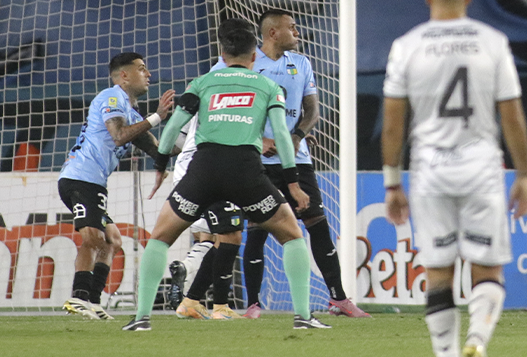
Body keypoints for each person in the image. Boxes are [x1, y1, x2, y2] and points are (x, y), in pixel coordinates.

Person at [123, 19, 330, 331]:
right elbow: (283, 137)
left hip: (203, 171)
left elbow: (172, 130)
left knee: (160, 238)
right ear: (253, 56)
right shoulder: (268, 87)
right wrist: (293, 183)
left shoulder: (202, 83)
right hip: (246, 173)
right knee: (292, 236)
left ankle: (141, 319)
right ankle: (303, 317)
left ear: (222, 53)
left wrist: (161, 166)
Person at [380, 0, 527, 357]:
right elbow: (512, 115)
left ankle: (446, 353)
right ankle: (477, 341)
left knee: (438, 271)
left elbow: (393, 122)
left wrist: (392, 183)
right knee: (487, 269)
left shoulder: (407, 45)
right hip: (480, 167)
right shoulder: (492, 41)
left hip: (430, 169)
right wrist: (524, 175)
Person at [235, 10, 369, 318]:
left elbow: (312, 111)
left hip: (297, 159)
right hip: (257, 159)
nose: (297, 32)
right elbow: (232, 108)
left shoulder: (301, 63)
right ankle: (253, 304)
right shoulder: (247, 63)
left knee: (317, 224)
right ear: (272, 33)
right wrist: (259, 140)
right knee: (257, 229)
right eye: (292, 27)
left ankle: (338, 299)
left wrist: (296, 136)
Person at [59, 53, 174, 320]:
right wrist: (157, 117)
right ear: (124, 75)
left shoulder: (131, 113)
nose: (149, 74)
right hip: (80, 177)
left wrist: (193, 137)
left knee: (112, 241)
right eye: (142, 69)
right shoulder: (111, 97)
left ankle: (94, 302)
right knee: (94, 238)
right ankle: (78, 297)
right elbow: (119, 135)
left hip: (94, 182)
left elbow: (158, 150)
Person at [170, 118, 248, 321]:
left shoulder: (198, 100)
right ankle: (220, 306)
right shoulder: (234, 104)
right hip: (207, 170)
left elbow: (175, 136)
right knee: (230, 234)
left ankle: (191, 301)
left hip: (190, 170)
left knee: (216, 237)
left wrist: (161, 158)